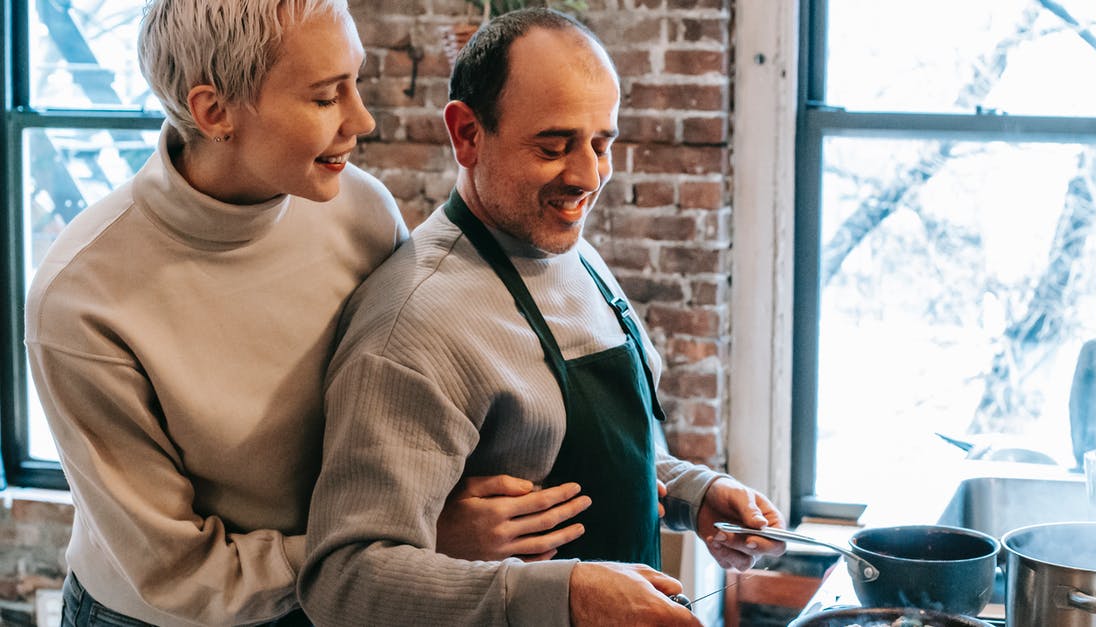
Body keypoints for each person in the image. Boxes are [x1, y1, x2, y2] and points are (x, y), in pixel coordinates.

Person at [24, 1, 589, 625]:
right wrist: (407, 542)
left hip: (340, 587)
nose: (363, 119)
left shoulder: (361, 209)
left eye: (357, 82)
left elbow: (417, 402)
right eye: (325, 98)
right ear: (214, 112)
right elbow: (177, 571)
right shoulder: (79, 298)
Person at [298, 8, 787, 626]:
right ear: (468, 134)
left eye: (601, 143)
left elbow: (578, 454)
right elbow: (345, 581)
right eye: (553, 146)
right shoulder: (411, 325)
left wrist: (695, 492)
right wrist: (567, 597)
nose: (587, 177)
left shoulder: (571, 253)